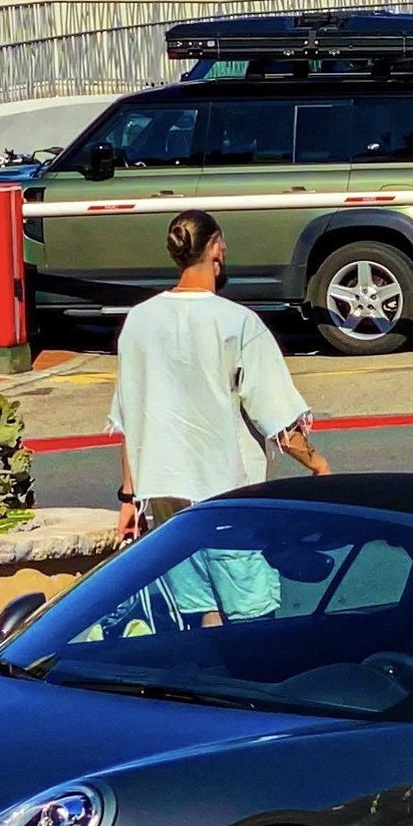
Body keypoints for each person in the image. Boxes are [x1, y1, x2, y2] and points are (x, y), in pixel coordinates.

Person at [110, 211, 331, 621]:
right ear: (216, 249)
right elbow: (277, 417)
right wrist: (319, 466)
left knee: (201, 616)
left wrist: (129, 496)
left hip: (165, 497)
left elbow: (130, 416)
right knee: (250, 616)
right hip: (227, 494)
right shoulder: (238, 323)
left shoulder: (138, 321)